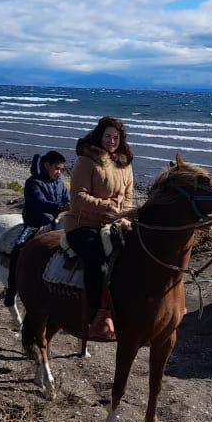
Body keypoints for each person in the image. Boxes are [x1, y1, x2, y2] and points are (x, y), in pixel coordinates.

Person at [65, 116, 134, 342]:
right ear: (99, 136)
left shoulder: (125, 164)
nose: (112, 140)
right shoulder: (86, 162)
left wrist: (124, 216)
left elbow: (129, 197)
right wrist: (108, 208)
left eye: (116, 137)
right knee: (97, 261)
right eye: (108, 136)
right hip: (83, 224)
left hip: (115, 223)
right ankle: (96, 316)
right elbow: (77, 198)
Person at [4, 151, 70, 308]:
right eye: (57, 168)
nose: (59, 172)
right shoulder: (33, 182)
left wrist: (68, 205)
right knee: (18, 247)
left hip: (57, 222)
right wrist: (60, 207)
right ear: (47, 165)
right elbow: (39, 202)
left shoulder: (60, 183)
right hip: (35, 223)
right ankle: (11, 288)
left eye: (61, 169)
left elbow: (67, 198)